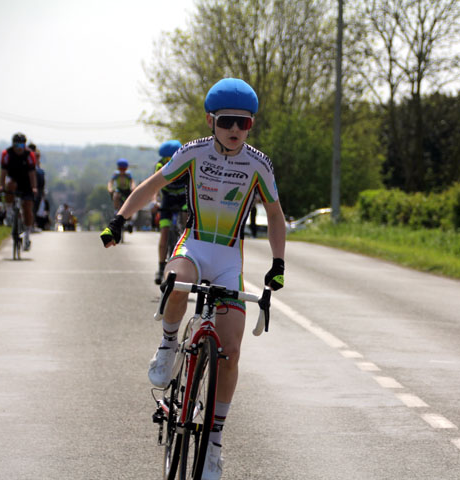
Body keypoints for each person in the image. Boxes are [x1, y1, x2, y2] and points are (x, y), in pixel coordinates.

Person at [101, 78, 286, 480]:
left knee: (233, 351)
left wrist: (278, 262)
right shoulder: (194, 153)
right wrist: (119, 220)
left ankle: (214, 444)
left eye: (244, 123)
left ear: (251, 124)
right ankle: (168, 346)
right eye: (226, 122)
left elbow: (274, 214)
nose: (235, 130)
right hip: (196, 245)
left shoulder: (258, 164)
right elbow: (152, 185)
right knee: (176, 280)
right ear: (210, 120)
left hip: (228, 259)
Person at [153, 139, 189, 285]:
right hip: (167, 198)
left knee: (188, 222)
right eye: (168, 158)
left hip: (182, 197)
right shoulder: (160, 166)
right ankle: (161, 266)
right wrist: (155, 201)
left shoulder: (185, 163)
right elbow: (153, 186)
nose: (170, 161)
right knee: (164, 232)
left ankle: (186, 244)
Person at [0, 132, 38, 251]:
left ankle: (27, 235)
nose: (19, 149)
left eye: (21, 146)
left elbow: (32, 174)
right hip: (13, 180)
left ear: (24, 146)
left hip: (26, 183)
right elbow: (3, 173)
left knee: (27, 208)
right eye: (16, 146)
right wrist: (1, 186)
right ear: (13, 145)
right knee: (9, 185)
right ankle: (10, 211)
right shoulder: (7, 154)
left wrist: (34, 187)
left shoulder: (29, 155)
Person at [28, 143, 47, 231]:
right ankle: (30, 225)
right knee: (32, 207)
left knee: (34, 207)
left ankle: (31, 224)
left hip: (37, 186)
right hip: (33, 185)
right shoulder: (28, 156)